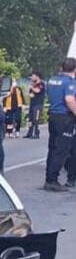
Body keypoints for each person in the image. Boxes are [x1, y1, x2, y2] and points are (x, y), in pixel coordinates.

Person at [43, 58, 76, 192]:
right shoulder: (70, 82)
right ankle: (53, 180)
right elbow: (69, 99)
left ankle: (48, 178)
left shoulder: (52, 80)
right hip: (64, 117)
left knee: (52, 148)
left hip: (53, 115)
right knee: (62, 150)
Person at [27, 71, 46, 139]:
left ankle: (36, 133)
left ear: (37, 77)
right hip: (32, 104)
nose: (32, 78)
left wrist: (31, 87)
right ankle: (29, 133)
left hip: (38, 105)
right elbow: (31, 93)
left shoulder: (41, 84)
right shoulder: (33, 84)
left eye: (33, 76)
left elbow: (37, 91)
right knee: (30, 119)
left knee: (36, 119)